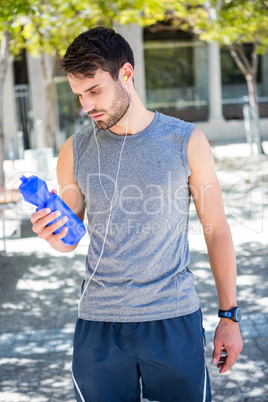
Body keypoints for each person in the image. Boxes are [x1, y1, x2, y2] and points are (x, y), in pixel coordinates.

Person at [30, 26, 243, 402]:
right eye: (79, 95)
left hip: (173, 319)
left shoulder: (186, 141)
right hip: (99, 324)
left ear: (126, 74)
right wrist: (53, 234)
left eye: (94, 90)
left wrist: (230, 316)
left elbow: (217, 230)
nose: (87, 106)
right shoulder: (74, 150)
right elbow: (71, 236)